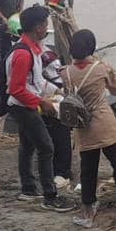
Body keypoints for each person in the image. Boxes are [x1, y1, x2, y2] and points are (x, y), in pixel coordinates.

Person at [62, 29, 116, 229]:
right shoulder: (101, 68)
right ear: (91, 48)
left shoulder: (64, 72)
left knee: (88, 169)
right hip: (104, 124)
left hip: (82, 127)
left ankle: (87, 212)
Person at [7, 4, 76, 212]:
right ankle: (50, 196)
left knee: (27, 147)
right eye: (45, 24)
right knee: (46, 148)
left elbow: (36, 81)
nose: (47, 27)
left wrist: (55, 93)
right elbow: (16, 89)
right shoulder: (23, 54)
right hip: (22, 106)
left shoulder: (33, 49)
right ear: (38, 27)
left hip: (26, 103)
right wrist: (41, 102)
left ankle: (28, 188)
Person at [39, 49, 74, 191]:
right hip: (49, 99)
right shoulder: (42, 53)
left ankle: (62, 172)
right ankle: (61, 171)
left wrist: (57, 91)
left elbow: (52, 77)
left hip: (54, 100)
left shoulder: (44, 54)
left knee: (59, 137)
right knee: (57, 138)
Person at [44, 0, 79, 66]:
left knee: (63, 43)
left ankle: (66, 63)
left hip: (61, 21)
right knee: (70, 39)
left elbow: (50, 7)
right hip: (68, 16)